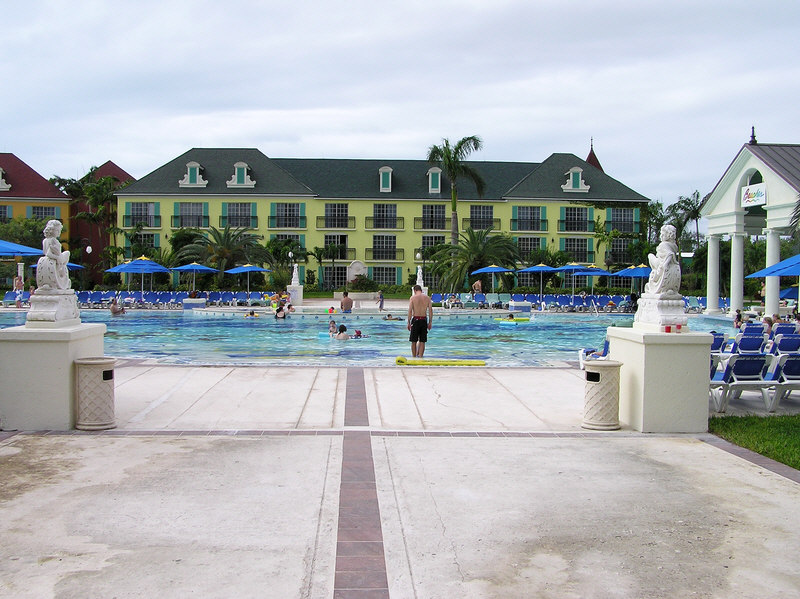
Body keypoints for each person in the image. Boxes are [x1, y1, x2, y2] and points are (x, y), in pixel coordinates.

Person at [407, 284, 433, 358]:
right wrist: (430, 322)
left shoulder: (413, 298)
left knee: (413, 341)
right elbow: (430, 310)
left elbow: (410, 311)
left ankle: (414, 357)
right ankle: (421, 357)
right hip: (424, 320)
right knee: (422, 341)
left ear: (414, 290)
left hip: (415, 319)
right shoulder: (427, 298)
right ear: (421, 290)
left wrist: (408, 322)